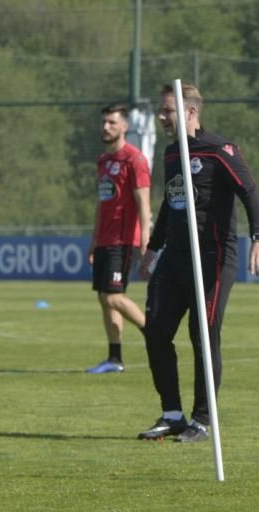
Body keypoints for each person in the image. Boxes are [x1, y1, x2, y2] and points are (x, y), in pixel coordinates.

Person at [137, 83, 259, 443]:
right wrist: (153, 247)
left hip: (212, 258)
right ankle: (172, 413)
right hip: (175, 258)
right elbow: (171, 201)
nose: (162, 117)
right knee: (156, 330)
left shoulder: (219, 150)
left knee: (203, 335)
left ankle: (202, 418)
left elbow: (250, 192)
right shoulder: (169, 154)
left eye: (168, 110)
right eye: (161, 110)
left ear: (191, 112)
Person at [86, 103, 152, 374]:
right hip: (104, 240)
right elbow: (102, 205)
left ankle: (154, 332)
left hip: (123, 240)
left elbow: (143, 204)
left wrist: (146, 241)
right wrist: (93, 241)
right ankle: (114, 359)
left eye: (112, 122)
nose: (106, 127)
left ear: (125, 126)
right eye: (104, 122)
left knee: (113, 297)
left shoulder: (134, 160)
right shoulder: (103, 161)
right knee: (105, 299)